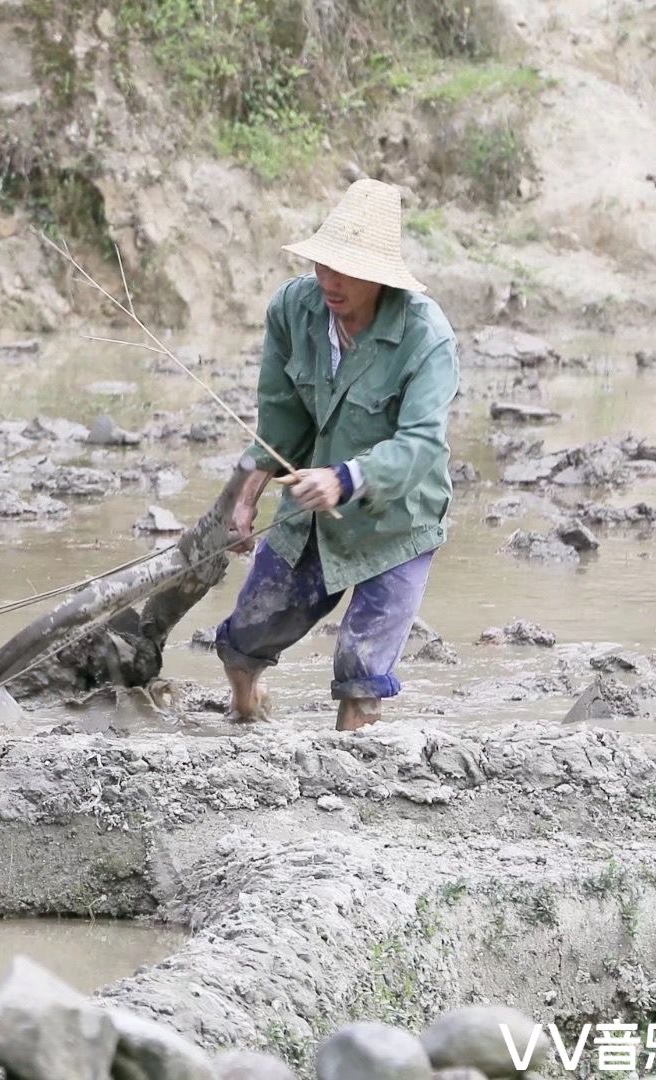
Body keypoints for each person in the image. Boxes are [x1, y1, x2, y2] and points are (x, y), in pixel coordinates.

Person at [214, 177, 460, 732]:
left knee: (361, 673)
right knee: (244, 638)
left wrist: (347, 478)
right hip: (311, 516)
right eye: (324, 264)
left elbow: (421, 444)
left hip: (397, 522)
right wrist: (246, 499)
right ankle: (247, 709)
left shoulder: (427, 338)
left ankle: (351, 785)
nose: (330, 280)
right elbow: (280, 419)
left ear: (380, 276)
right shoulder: (293, 310)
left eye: (346, 270)